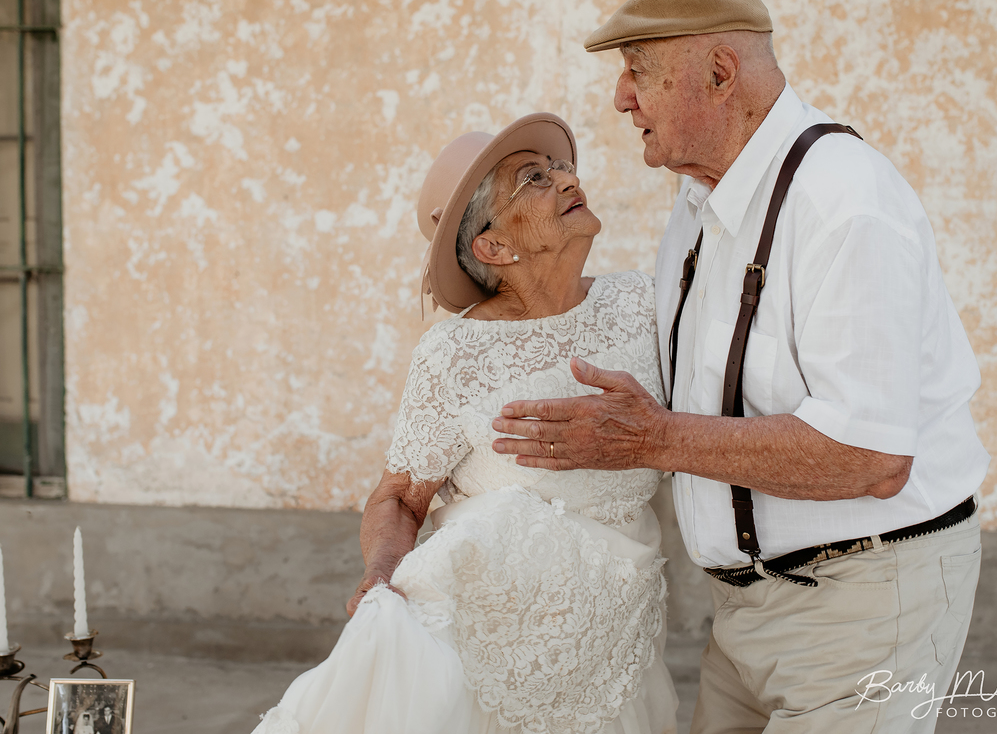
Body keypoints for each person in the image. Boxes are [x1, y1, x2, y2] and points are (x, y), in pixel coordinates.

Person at [490, 0, 989, 733]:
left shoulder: (845, 203)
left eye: (637, 73)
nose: (621, 97)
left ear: (720, 73)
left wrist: (653, 437)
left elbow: (871, 455)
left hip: (862, 601)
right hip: (744, 614)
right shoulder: (697, 204)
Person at [252, 113, 679, 734]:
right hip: (484, 648)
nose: (565, 178)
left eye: (559, 166)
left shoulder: (642, 302)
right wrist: (381, 573)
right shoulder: (454, 352)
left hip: (614, 635)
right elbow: (400, 496)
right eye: (534, 178)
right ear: (494, 246)